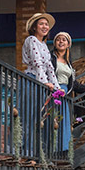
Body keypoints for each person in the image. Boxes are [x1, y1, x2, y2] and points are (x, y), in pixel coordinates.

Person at [20, 13, 56, 158]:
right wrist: (44, 82)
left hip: (40, 82)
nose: (44, 26)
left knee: (37, 117)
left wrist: (57, 87)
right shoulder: (32, 40)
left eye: (46, 24)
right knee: (28, 114)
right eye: (41, 24)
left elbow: (50, 68)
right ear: (34, 27)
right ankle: (23, 150)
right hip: (32, 79)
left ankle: (34, 151)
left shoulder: (44, 45)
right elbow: (37, 63)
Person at [49, 32, 85, 153]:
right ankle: (51, 148)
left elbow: (73, 83)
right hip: (53, 91)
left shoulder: (68, 62)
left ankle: (63, 149)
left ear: (68, 44)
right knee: (52, 118)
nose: (61, 42)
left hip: (65, 94)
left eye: (64, 40)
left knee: (64, 121)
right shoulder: (51, 58)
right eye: (58, 39)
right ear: (55, 43)